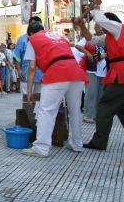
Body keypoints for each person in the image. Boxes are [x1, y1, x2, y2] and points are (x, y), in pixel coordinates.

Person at [75, 0, 124, 151]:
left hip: (122, 75)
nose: (102, 29)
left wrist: (95, 7)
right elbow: (91, 40)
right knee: (122, 110)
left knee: (105, 107)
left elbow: (101, 20)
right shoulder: (113, 37)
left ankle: (99, 142)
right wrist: (82, 26)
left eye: (103, 26)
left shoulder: (119, 28)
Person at [21, 22, 87, 158]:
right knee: (75, 111)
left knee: (47, 110)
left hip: (57, 72)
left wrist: (29, 92)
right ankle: (77, 144)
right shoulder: (59, 37)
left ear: (30, 33)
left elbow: (32, 68)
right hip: (76, 72)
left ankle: (41, 148)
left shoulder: (32, 40)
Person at [14, 16, 44, 95]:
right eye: (33, 24)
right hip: (26, 73)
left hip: (41, 74)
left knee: (40, 99)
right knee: (26, 99)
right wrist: (19, 70)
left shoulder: (44, 38)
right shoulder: (22, 39)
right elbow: (17, 56)